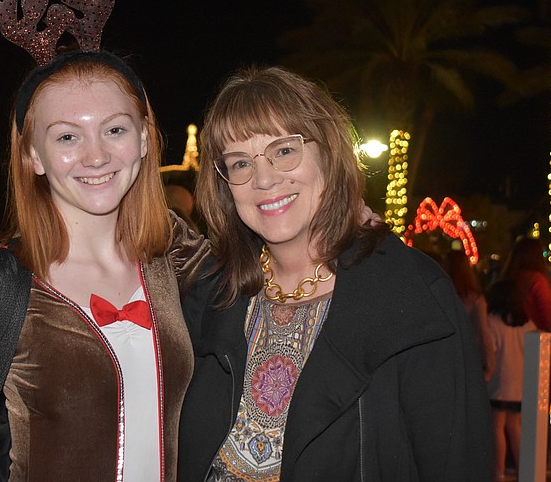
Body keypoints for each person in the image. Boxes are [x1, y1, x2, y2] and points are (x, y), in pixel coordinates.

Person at [0, 0, 209, 481]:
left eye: (114, 129)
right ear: (34, 156)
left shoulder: (179, 259)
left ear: (146, 139)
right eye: (66, 136)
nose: (96, 155)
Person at [178, 66, 493, 480]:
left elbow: (457, 464)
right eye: (240, 164)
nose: (265, 179)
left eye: (284, 150)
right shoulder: (213, 295)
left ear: (327, 151)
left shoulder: (410, 296)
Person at [486, 278, 536, 481]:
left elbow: (491, 350)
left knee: (497, 426)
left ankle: (498, 471)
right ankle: (524, 469)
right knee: (515, 426)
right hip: (521, 381)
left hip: (500, 379)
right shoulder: (528, 324)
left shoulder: (492, 321)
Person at [446, 248, 496, 381]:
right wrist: (490, 366)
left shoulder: (443, 296)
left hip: (447, 356)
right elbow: (483, 332)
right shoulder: (475, 299)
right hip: (469, 357)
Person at [501, 236, 551, 333]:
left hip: (511, 336)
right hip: (535, 338)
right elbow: (548, 318)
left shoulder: (508, 279)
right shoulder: (538, 281)